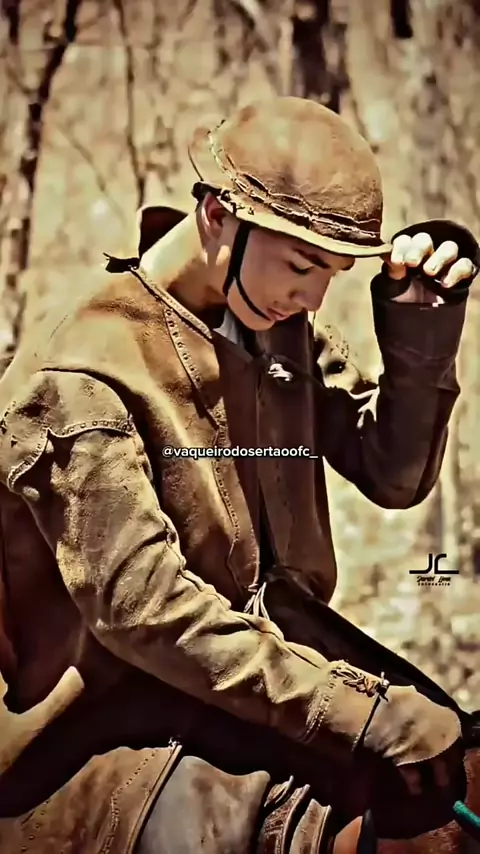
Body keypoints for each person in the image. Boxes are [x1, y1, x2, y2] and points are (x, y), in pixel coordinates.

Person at [0, 95, 476, 854]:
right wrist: (361, 712)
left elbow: (393, 476)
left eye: (333, 273)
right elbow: (146, 613)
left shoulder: (272, 325)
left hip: (275, 669)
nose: (314, 297)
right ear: (219, 215)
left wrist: (419, 334)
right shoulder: (81, 374)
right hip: (112, 718)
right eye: (302, 265)